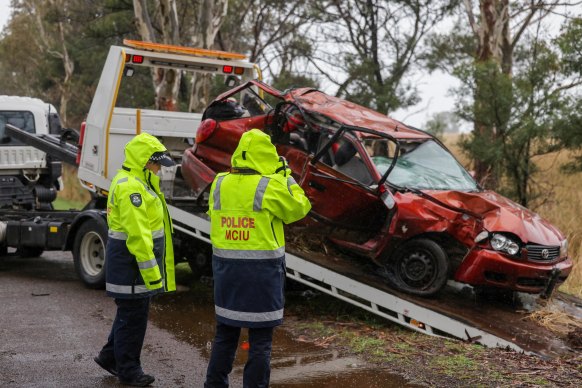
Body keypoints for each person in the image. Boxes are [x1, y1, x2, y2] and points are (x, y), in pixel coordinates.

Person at [204, 129, 311, 388]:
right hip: (261, 274)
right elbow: (300, 207)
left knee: (225, 335)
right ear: (266, 157)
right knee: (260, 341)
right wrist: (285, 176)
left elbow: (212, 214)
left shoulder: (219, 182)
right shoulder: (269, 186)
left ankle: (214, 384)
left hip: (226, 272)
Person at [94, 132, 176, 387]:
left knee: (127, 315)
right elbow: (139, 237)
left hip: (131, 266)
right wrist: (153, 275)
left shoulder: (139, 181)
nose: (159, 168)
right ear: (144, 160)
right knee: (134, 319)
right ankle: (129, 371)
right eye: (156, 163)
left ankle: (109, 356)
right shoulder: (132, 187)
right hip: (132, 267)